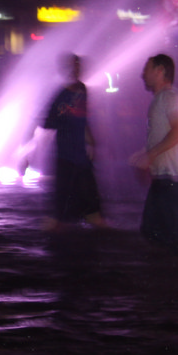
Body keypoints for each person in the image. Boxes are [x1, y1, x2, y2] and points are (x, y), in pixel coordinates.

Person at [131, 53, 178, 255]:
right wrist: (146, 156)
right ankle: (173, 269)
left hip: (173, 179)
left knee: (171, 240)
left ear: (160, 71)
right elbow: (161, 136)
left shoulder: (170, 97)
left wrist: (150, 156)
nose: (143, 74)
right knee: (151, 231)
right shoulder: (160, 99)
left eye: (147, 69)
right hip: (164, 179)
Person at [42, 54, 106, 228]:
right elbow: (48, 124)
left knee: (87, 199)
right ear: (67, 70)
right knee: (64, 202)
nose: (77, 70)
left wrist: (91, 141)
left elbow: (83, 119)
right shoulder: (60, 97)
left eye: (79, 66)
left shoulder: (82, 90)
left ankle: (89, 223)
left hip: (80, 156)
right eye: (74, 66)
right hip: (66, 156)